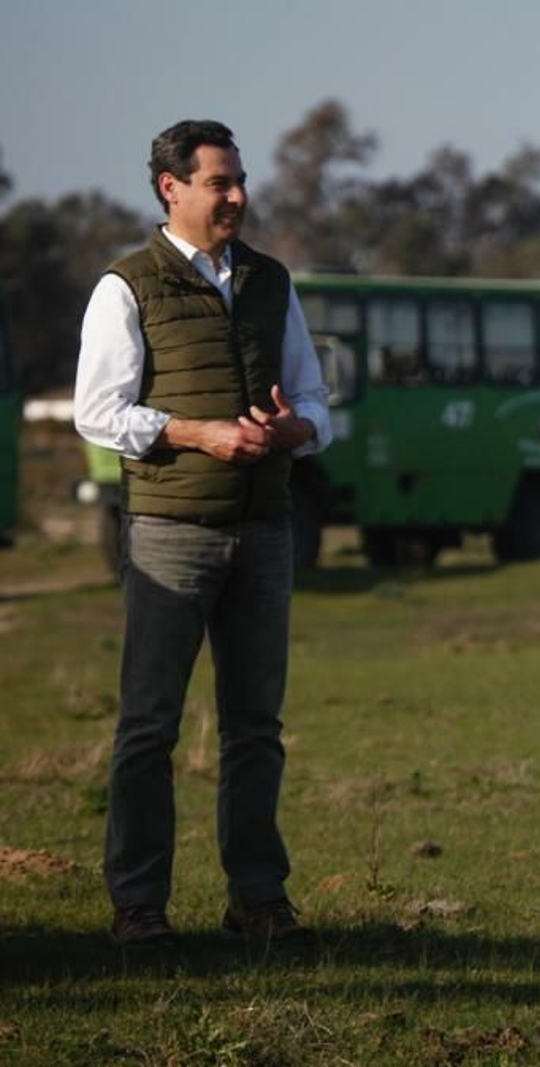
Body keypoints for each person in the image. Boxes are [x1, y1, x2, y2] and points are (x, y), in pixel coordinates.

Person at [73, 120, 331, 947]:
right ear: (170, 188)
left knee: (257, 727)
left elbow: (318, 401)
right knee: (150, 725)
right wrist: (199, 433)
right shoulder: (127, 285)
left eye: (240, 180)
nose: (237, 197)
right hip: (170, 534)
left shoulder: (271, 280)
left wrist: (300, 431)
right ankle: (139, 904)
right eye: (220, 183)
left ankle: (258, 898)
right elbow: (98, 412)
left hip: (264, 532)